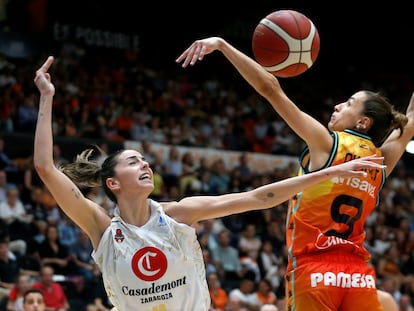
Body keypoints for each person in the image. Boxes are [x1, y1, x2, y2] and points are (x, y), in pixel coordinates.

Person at [33, 56, 386, 311]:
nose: (144, 163)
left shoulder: (179, 213)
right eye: (132, 160)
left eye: (144, 158)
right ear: (112, 183)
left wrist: (324, 175)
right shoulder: (100, 227)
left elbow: (259, 197)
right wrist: (47, 97)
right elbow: (46, 168)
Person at [176, 37, 414, 310]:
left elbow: (271, 89)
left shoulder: (327, 143)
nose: (338, 106)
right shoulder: (381, 159)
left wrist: (222, 46)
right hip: (356, 274)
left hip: (314, 269)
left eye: (348, 103)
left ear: (363, 121)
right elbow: (412, 117)